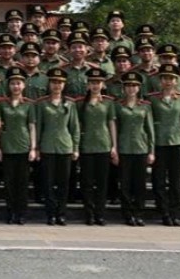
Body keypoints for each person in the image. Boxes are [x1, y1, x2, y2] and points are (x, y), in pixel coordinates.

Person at [148, 64, 180, 226]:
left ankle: (174, 213)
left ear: (176, 81)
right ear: (160, 80)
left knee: (175, 180)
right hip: (159, 141)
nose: (168, 81)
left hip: (177, 141)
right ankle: (163, 212)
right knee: (158, 179)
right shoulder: (152, 98)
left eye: (171, 78)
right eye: (165, 78)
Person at [36, 68, 80, 225]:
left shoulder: (70, 104)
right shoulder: (42, 104)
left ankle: (61, 213)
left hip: (65, 146)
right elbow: (39, 127)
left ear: (64, 84)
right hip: (47, 146)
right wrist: (37, 148)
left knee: (63, 183)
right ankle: (50, 214)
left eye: (60, 82)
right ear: (49, 84)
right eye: (54, 82)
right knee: (48, 183)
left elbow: (74, 127)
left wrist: (75, 147)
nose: (57, 85)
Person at [0, 67, 37, 224]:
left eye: (18, 83)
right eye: (13, 83)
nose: (16, 86)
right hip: (7, 146)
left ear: (23, 85)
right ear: (8, 85)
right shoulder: (2, 104)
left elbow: (32, 127)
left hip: (23, 146)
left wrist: (33, 148)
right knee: (9, 183)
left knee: (22, 183)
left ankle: (21, 213)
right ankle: (11, 212)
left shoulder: (29, 104)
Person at [114, 72, 154, 226]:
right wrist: (115, 149)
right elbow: (115, 128)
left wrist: (151, 151)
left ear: (139, 88)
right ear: (124, 88)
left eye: (134, 86)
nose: (131, 88)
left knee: (139, 184)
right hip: (124, 147)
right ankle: (127, 213)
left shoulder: (145, 106)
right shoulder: (118, 105)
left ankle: (139, 213)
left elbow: (150, 129)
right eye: (128, 86)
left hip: (141, 147)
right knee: (124, 184)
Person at [78, 68, 116, 226]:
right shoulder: (80, 103)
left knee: (102, 183)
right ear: (88, 85)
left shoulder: (108, 102)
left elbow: (111, 123)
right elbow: (78, 125)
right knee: (86, 183)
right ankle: (89, 214)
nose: (95, 85)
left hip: (103, 144)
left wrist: (114, 146)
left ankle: (100, 214)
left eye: (98, 82)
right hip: (86, 145)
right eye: (92, 82)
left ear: (103, 84)